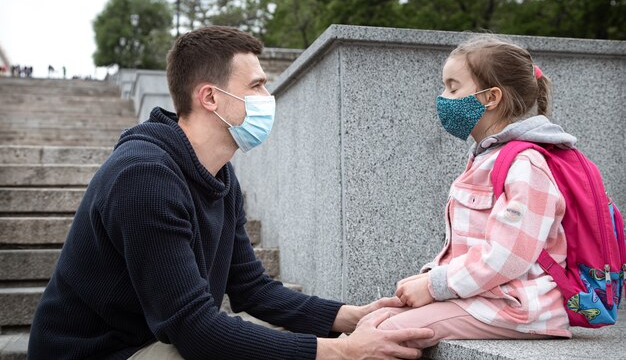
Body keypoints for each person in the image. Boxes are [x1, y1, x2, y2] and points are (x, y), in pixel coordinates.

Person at [28, 26, 433, 360]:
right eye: (256, 86)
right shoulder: (144, 176)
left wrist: (348, 317)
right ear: (210, 97)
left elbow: (250, 287)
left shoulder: (219, 176)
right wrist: (343, 352)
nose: (267, 99)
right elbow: (193, 328)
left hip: (148, 343)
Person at [360, 35, 575, 348]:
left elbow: (509, 256)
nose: (443, 97)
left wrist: (435, 285)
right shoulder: (486, 157)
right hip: (486, 297)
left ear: (490, 97)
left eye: (452, 86)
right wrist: (431, 277)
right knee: (371, 321)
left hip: (519, 306)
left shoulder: (526, 165)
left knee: (385, 332)